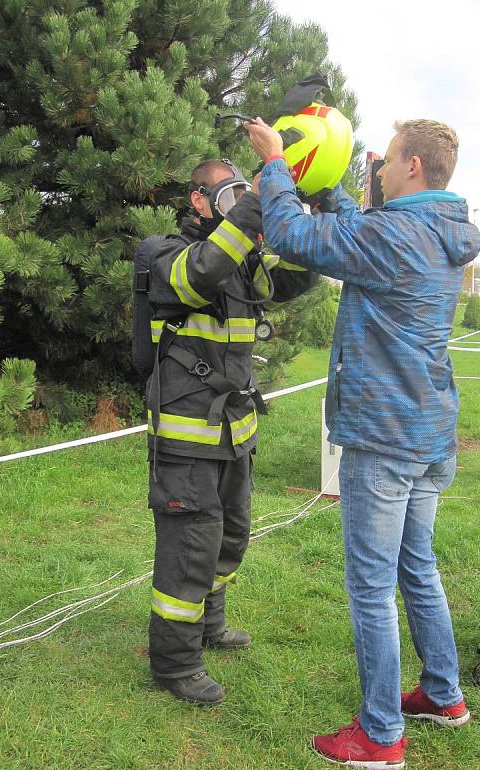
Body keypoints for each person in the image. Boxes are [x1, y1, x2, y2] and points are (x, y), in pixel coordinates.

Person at [245, 117, 480, 770]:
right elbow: (360, 231)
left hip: (384, 434)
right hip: (430, 433)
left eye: (386, 161)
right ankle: (442, 693)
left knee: (371, 585)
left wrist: (275, 164)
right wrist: (334, 182)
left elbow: (294, 237)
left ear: (411, 168)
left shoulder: (394, 233)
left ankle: (380, 735)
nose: (376, 167)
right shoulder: (438, 230)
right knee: (418, 568)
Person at [137, 158, 316, 705]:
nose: (239, 198)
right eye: (230, 191)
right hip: (187, 433)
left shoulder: (240, 261)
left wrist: (318, 203)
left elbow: (298, 275)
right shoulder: (162, 253)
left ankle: (209, 626)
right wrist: (260, 198)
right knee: (191, 545)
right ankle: (175, 662)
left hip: (233, 428)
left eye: (245, 190)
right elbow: (202, 272)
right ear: (197, 199)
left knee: (228, 537)